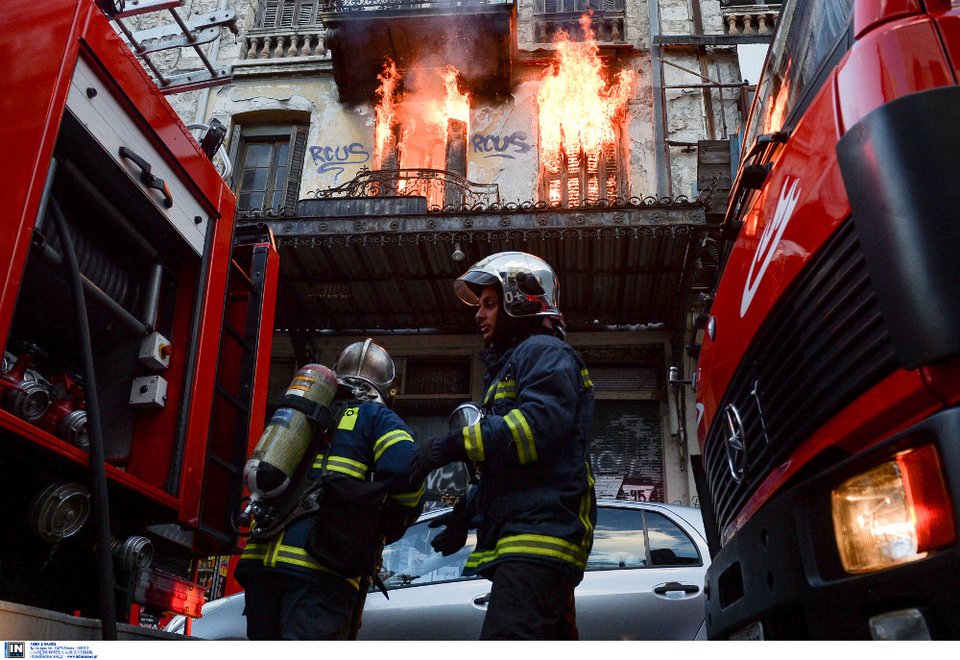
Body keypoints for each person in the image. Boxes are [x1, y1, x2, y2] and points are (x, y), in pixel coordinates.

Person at [412, 251, 597, 640]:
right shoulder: (516, 363)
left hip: (540, 539)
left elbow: (532, 431)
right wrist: (467, 511)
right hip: (533, 538)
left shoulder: (544, 353)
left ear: (520, 301)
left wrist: (451, 446)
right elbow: (513, 469)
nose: (479, 315)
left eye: (490, 304)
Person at [234, 338, 425, 640]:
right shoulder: (377, 418)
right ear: (387, 388)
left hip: (261, 566)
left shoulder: (305, 413)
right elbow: (406, 471)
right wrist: (393, 519)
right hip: (321, 571)